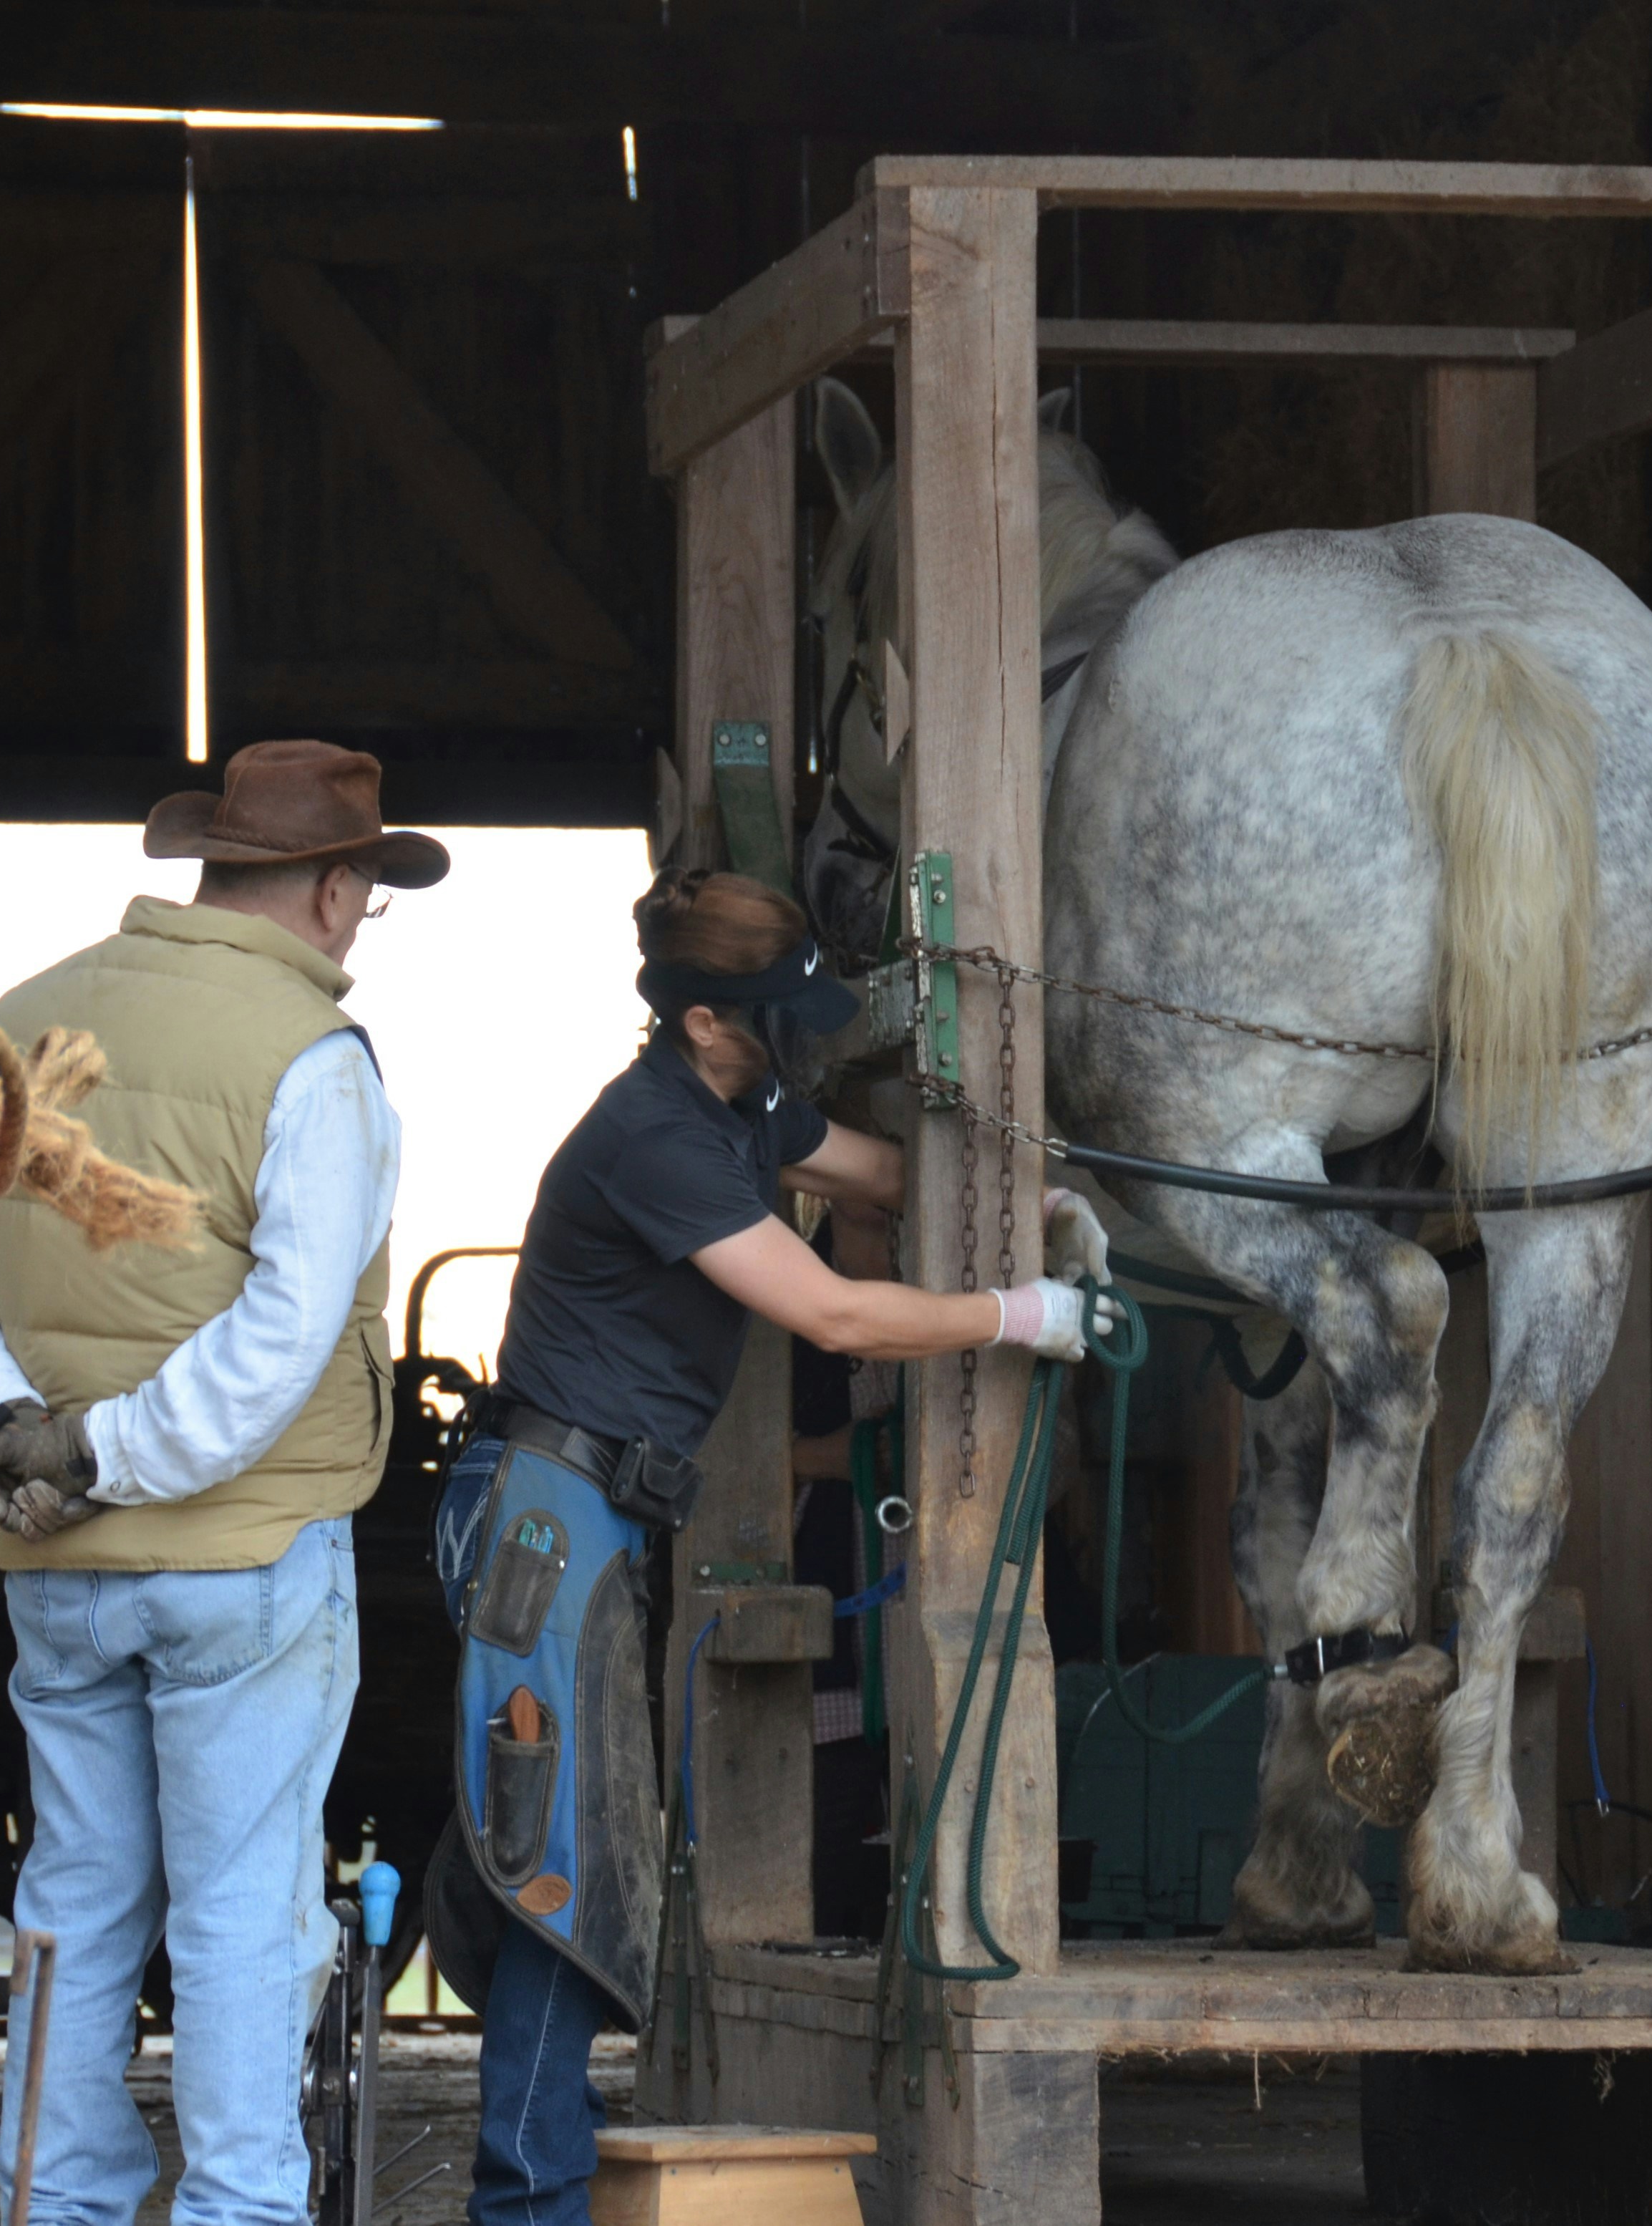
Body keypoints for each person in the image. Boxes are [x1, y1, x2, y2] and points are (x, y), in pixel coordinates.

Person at [426, 868, 1113, 2226]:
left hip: (589, 1517)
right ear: (699, 1021)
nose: (800, 1036)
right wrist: (1016, 1312)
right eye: (772, 1015)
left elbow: (883, 1172)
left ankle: (535, 2191)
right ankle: (528, 2207)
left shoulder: (737, 1111)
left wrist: (1043, 1199)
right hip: (545, 1525)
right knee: (557, 1871)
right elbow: (835, 1315)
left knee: (561, 1855)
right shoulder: (654, 1139)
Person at [0, 737, 448, 2226]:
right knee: (246, 1904)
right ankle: (238, 2207)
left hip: (49, 1555)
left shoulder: (27, 1020)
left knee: (74, 1891)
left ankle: (56, 2200)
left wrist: (19, 1439)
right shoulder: (311, 1061)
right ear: (330, 889)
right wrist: (113, 1454)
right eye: (366, 901)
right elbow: (282, 1336)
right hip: (240, 1552)